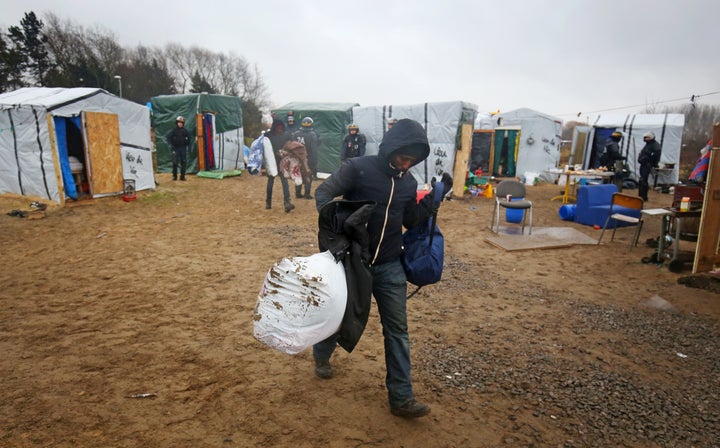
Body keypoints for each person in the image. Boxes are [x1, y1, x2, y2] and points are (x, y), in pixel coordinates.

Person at [312, 118, 452, 419]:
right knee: (339, 315)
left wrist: (433, 199)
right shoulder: (358, 168)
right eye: (403, 157)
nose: (406, 164)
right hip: (354, 261)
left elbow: (411, 220)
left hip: (390, 264)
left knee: (398, 331)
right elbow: (323, 195)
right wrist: (339, 232)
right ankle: (321, 355)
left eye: (412, 160)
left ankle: (401, 398)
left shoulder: (408, 182)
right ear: (391, 147)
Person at [265, 118, 295, 212]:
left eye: (281, 128)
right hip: (271, 162)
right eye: (278, 127)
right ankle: (268, 202)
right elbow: (263, 148)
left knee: (284, 181)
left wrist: (285, 152)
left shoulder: (286, 135)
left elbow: (291, 145)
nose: (280, 129)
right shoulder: (267, 135)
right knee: (270, 181)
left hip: (282, 162)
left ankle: (287, 202)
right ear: (274, 127)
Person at [291, 117, 321, 199]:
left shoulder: (295, 133)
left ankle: (298, 193)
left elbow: (292, 146)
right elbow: (314, 149)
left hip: (297, 157)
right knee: (308, 175)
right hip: (308, 158)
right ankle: (307, 194)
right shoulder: (313, 134)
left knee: (298, 174)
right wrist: (314, 161)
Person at [637, 131, 662, 201]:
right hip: (644, 164)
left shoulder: (655, 145)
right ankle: (641, 195)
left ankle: (643, 196)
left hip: (647, 165)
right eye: (645, 137)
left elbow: (656, 155)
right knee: (642, 180)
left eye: (647, 137)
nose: (645, 138)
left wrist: (653, 163)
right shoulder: (648, 144)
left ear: (651, 137)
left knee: (643, 181)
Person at [166, 116, 190, 181]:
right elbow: (168, 138)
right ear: (177, 123)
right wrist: (171, 145)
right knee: (175, 163)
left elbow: (189, 139)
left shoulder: (185, 131)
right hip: (175, 149)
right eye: (179, 122)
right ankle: (174, 176)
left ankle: (182, 176)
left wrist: (186, 144)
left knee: (183, 163)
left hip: (183, 149)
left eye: (181, 123)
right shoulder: (173, 131)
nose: (180, 124)